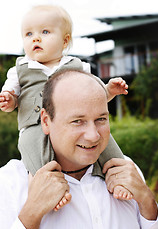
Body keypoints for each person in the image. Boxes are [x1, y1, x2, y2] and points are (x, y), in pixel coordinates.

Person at [0, 69, 158, 229]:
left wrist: (148, 202)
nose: (93, 135)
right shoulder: (9, 184)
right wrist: (31, 215)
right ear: (46, 121)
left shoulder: (127, 170)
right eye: (77, 121)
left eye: (101, 119)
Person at [0, 4, 131, 203]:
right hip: (34, 124)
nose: (36, 38)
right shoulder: (19, 69)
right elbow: (11, 98)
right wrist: (9, 101)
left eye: (45, 32)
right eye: (28, 34)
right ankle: (49, 187)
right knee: (31, 147)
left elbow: (93, 98)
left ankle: (118, 176)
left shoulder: (78, 66)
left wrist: (108, 91)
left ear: (65, 40)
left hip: (76, 122)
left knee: (99, 138)